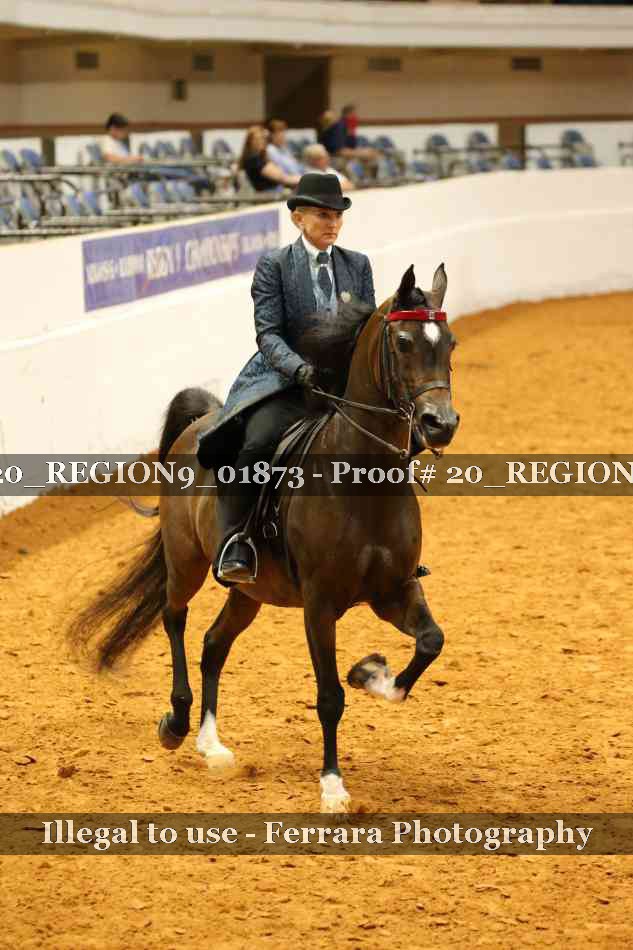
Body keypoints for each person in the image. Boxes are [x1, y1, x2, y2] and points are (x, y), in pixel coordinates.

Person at [197, 173, 376, 583]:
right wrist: (299, 369)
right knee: (258, 443)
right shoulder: (274, 265)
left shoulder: (358, 265)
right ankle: (236, 540)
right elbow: (268, 334)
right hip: (286, 382)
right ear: (298, 218)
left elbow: (365, 330)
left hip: (343, 387)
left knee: (397, 435)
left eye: (338, 215)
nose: (333, 223)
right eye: (323, 215)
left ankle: (390, 540)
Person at [240, 125, 301, 192]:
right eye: (256, 139)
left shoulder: (261, 157)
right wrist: (303, 180)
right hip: (268, 195)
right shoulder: (254, 159)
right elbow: (282, 178)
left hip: (274, 192)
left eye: (262, 138)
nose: (260, 141)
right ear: (249, 142)